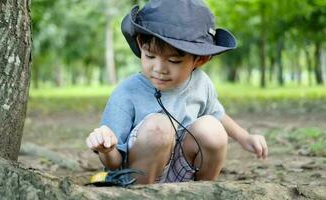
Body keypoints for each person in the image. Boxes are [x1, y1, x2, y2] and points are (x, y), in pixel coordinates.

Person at [86, 0, 268, 184]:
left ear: (200, 60)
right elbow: (114, 164)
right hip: (139, 174)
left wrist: (245, 137)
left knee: (212, 128)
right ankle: (143, 194)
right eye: (150, 56)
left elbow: (217, 114)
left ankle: (202, 191)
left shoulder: (201, 83)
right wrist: (107, 150)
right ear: (141, 45)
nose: (159, 69)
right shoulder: (126, 93)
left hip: (181, 171)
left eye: (173, 61)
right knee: (159, 126)